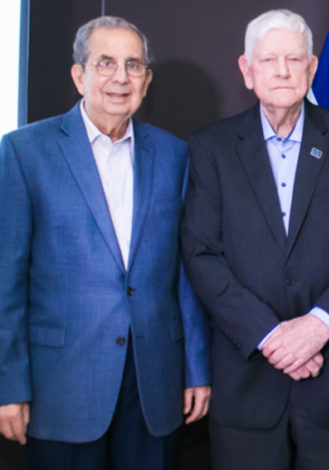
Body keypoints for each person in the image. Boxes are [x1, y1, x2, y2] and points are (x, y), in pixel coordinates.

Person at [0, 16, 211, 470]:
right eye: (106, 63)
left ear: (147, 80)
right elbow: (6, 280)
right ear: (79, 75)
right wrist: (8, 385)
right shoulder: (24, 152)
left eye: (133, 65)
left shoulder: (175, 155)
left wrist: (196, 368)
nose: (121, 77)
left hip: (154, 385)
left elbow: (186, 272)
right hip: (61, 388)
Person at [179, 8, 329, 470]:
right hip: (245, 382)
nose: (282, 71)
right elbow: (200, 253)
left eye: (294, 59)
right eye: (268, 60)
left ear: (311, 68)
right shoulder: (211, 147)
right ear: (246, 70)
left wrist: (317, 327)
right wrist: (271, 336)